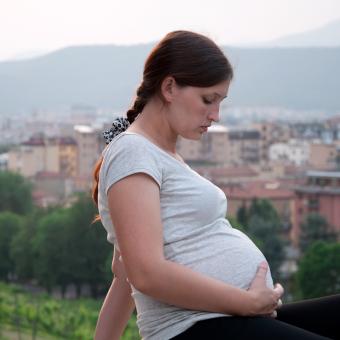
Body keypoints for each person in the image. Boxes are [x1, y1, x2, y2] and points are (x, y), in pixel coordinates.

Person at [92, 31, 339, 340]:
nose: (215, 115)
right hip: (194, 327)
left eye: (220, 102)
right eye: (208, 100)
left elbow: (125, 272)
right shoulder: (132, 151)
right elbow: (145, 274)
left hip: (225, 319)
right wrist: (246, 302)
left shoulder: (162, 155)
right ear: (169, 87)